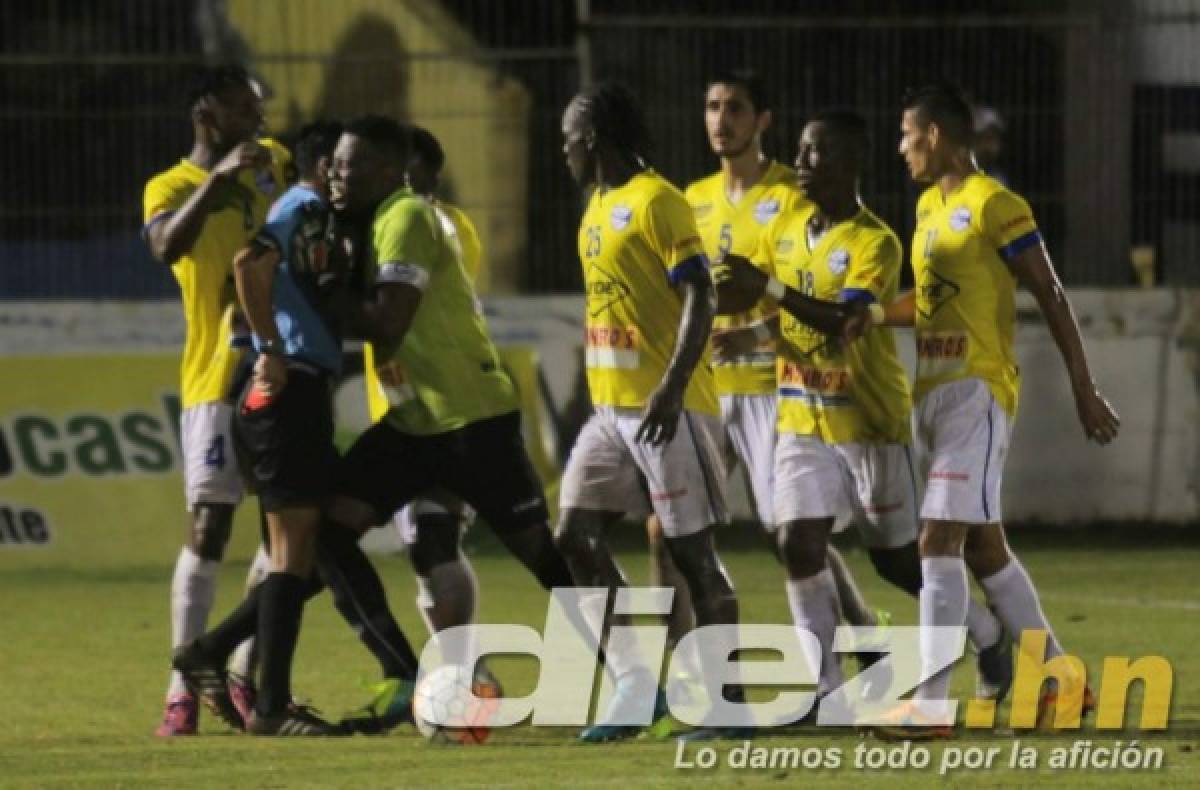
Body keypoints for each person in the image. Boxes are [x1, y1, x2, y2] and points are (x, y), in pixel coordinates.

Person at [874, 83, 1119, 736]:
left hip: (978, 393)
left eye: (905, 135)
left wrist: (1083, 386)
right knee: (982, 547)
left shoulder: (995, 203)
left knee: (936, 537)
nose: (900, 149)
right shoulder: (928, 207)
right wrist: (869, 314)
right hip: (933, 393)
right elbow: (926, 301)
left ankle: (929, 703)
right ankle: (1065, 686)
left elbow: (1050, 290)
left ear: (933, 135)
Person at [652, 71, 892, 692]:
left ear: (763, 120)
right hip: (708, 385)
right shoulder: (693, 197)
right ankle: (682, 674)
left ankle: (860, 633)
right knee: (666, 526)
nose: (720, 119)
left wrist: (757, 331)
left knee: (787, 530)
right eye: (711, 106)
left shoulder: (793, 192)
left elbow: (805, 284)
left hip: (769, 385)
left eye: (734, 108)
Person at [322, 114, 576, 698]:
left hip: (471, 421)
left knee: (541, 555)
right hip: (415, 423)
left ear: (390, 170)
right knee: (334, 530)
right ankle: (414, 674)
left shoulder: (410, 216)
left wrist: (324, 292)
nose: (338, 175)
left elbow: (389, 318)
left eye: (350, 164)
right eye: (334, 163)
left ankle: (636, 677)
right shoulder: (372, 221)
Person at [558, 82, 747, 742]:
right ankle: (637, 687)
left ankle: (731, 706)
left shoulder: (657, 201)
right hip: (611, 412)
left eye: (568, 141)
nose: (564, 152)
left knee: (694, 554)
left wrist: (669, 386)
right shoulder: (596, 206)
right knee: (574, 538)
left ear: (594, 141)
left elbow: (702, 293)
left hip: (671, 408)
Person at [142, 63, 286, 736]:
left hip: (283, 371)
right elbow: (167, 245)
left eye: (259, 110)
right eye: (242, 110)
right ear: (207, 115)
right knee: (209, 525)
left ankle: (241, 677)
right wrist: (219, 179)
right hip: (213, 376)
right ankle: (181, 686)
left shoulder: (278, 165)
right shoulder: (169, 186)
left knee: (282, 528)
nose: (258, 122)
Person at [359, 126, 499, 694]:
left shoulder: (440, 226)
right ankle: (461, 665)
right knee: (423, 541)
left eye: (407, 174)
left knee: (432, 536)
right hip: (398, 404)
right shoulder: (386, 224)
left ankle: (459, 669)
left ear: (430, 179)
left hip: (444, 402)